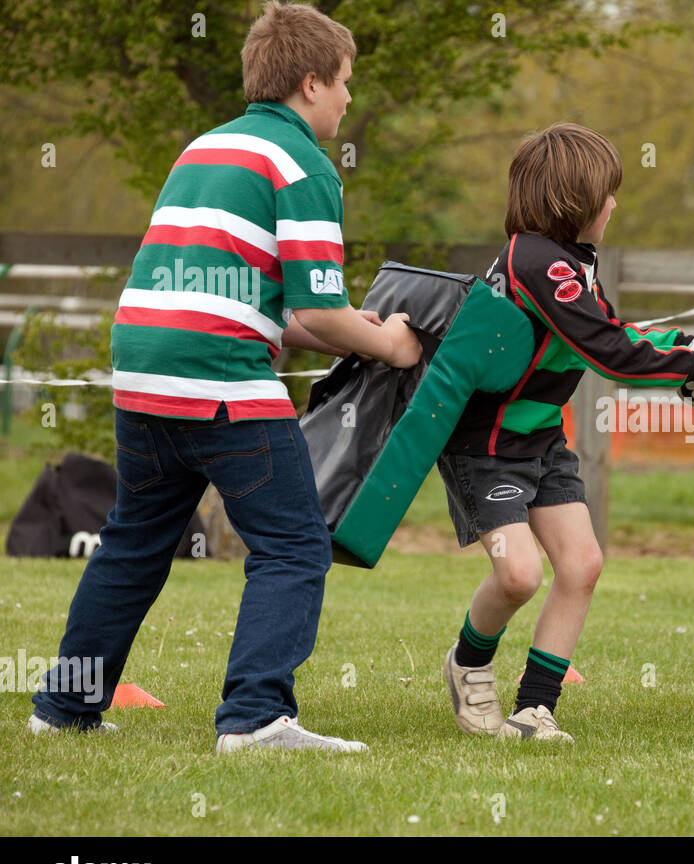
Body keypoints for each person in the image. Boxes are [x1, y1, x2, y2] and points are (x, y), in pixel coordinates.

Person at [29, 0, 423, 754]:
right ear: (310, 83)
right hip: (218, 381)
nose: (349, 97)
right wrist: (395, 347)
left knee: (134, 541)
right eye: (345, 82)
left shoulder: (205, 148)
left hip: (143, 370)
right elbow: (320, 307)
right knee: (295, 545)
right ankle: (256, 719)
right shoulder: (304, 162)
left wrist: (351, 330)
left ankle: (63, 709)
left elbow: (278, 307)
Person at [437, 123, 694, 742]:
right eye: (607, 192)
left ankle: (535, 710)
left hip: (539, 441)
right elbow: (611, 353)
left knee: (582, 563)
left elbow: (621, 335)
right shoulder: (538, 262)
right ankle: (468, 665)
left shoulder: (571, 265)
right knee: (519, 575)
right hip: (486, 446)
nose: (614, 203)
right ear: (573, 199)